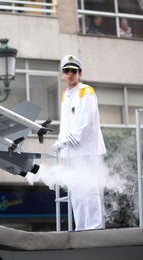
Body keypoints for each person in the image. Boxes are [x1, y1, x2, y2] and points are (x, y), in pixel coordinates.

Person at [52, 55, 107, 231]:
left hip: (87, 149)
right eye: (66, 71)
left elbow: (87, 119)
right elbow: (66, 123)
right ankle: (81, 227)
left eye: (73, 71)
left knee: (89, 188)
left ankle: (94, 227)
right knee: (76, 190)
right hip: (72, 151)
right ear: (62, 74)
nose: (70, 74)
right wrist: (61, 141)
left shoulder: (86, 91)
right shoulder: (66, 95)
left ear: (79, 73)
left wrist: (71, 139)